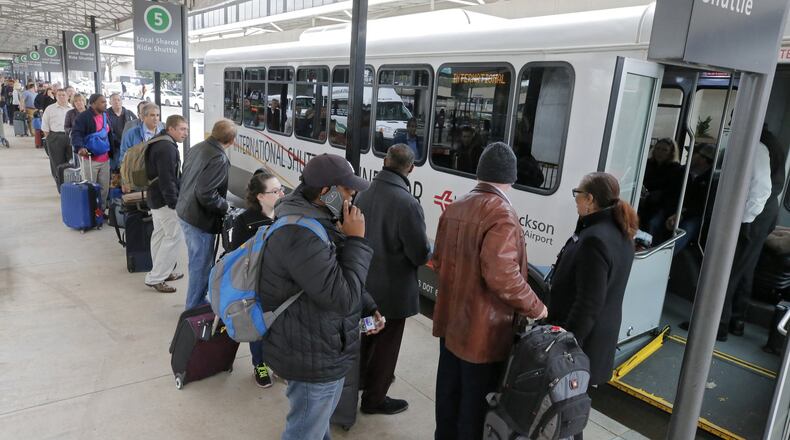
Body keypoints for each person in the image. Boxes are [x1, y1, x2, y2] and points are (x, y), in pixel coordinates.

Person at [257, 153, 382, 440]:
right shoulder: (299, 234)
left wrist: (368, 306)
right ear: (327, 192)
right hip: (310, 354)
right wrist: (356, 241)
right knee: (304, 430)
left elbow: (332, 277)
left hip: (320, 344)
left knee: (316, 423)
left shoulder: (318, 217)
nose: (354, 196)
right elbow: (342, 297)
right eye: (349, 190)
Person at [432, 142, 547, 440]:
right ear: (511, 177)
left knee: (449, 395)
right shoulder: (502, 215)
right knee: (475, 405)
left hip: (451, 324)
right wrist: (537, 307)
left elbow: (439, 260)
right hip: (482, 334)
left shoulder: (456, 207)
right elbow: (502, 275)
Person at [355, 144, 431, 415]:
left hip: (364, 286)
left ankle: (360, 381)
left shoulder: (362, 192)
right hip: (393, 293)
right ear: (410, 168)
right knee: (386, 345)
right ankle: (375, 399)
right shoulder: (407, 203)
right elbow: (419, 253)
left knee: (366, 334)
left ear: (385, 161)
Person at [547, 173, 638, 392]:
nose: (575, 199)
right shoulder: (621, 233)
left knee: (562, 409)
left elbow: (588, 303)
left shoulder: (594, 239)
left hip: (581, 344)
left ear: (589, 198)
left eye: (577, 194)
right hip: (597, 340)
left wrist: (565, 345)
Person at [719, 128, 787, 339]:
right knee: (745, 269)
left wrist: (744, 222)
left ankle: (718, 325)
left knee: (729, 269)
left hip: (754, 215)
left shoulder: (756, 144)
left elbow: (761, 187)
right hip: (765, 213)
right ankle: (737, 320)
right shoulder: (769, 140)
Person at [228, 169, 285, 388]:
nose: (281, 194)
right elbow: (237, 255)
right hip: (257, 285)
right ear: (260, 196)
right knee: (259, 327)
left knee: (279, 326)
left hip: (281, 282)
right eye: (276, 191)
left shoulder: (284, 215)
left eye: (281, 189)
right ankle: (259, 364)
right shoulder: (245, 221)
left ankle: (278, 364)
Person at [176, 119, 236, 310]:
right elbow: (206, 193)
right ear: (231, 140)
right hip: (198, 219)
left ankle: (197, 301)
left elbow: (185, 175)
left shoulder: (198, 147)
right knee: (201, 266)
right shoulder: (218, 158)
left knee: (197, 262)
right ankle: (194, 308)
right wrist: (225, 206)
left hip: (185, 211)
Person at [143, 115, 187, 293]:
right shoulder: (166, 148)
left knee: (160, 235)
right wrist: (174, 203)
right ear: (171, 129)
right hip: (164, 200)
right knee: (173, 238)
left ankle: (162, 272)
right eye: (182, 129)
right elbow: (167, 178)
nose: (186, 133)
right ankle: (157, 277)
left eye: (186, 129)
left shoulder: (158, 140)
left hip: (154, 197)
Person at [666, 143, 716, 255]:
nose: (688, 155)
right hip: (674, 210)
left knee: (686, 229)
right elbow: (670, 194)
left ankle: (665, 257)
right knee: (655, 221)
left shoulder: (712, 181)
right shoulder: (681, 171)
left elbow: (704, 206)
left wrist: (682, 214)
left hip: (694, 215)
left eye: (693, 153)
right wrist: (673, 212)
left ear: (703, 159)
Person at [70, 94, 111, 207]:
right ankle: (90, 213)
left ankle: (100, 212)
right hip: (89, 158)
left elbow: (109, 134)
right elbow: (76, 133)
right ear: (93, 104)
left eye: (105, 101)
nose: (105, 104)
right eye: (102, 102)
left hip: (105, 158)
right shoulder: (83, 117)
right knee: (90, 188)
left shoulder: (105, 115)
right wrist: (80, 147)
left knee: (104, 188)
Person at [640, 138, 682, 240]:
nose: (660, 152)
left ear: (671, 153)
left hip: (663, 205)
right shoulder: (647, 164)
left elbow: (673, 192)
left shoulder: (676, 169)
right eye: (658, 148)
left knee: (653, 223)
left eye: (664, 150)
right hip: (644, 201)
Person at [41, 89, 72, 191]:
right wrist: (50, 138)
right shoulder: (50, 109)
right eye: (59, 95)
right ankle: (61, 186)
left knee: (71, 161)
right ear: (55, 96)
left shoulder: (71, 108)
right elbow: (45, 126)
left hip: (70, 136)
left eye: (64, 95)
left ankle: (71, 183)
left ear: (68, 96)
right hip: (55, 136)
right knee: (57, 163)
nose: (62, 97)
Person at [119, 103, 163, 168]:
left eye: (157, 115)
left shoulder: (163, 131)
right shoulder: (131, 134)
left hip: (158, 171)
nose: (156, 118)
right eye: (152, 115)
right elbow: (124, 156)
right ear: (144, 117)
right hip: (138, 173)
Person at [107, 93, 138, 170]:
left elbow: (137, 127)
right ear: (110, 102)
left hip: (128, 146)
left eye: (118, 100)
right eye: (114, 100)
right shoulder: (106, 114)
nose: (117, 102)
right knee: (116, 168)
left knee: (128, 168)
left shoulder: (129, 113)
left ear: (121, 101)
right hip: (114, 147)